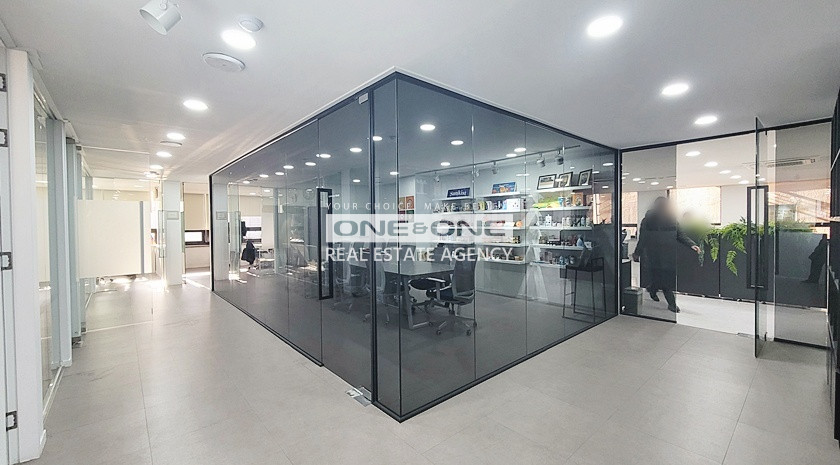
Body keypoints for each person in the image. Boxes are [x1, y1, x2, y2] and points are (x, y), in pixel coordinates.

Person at [632, 197, 701, 313]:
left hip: (667, 254)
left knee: (660, 277)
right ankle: (672, 304)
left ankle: (652, 289)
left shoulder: (671, 219)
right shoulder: (649, 220)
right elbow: (643, 238)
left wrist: (691, 244)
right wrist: (637, 253)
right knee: (664, 278)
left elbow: (679, 234)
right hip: (654, 254)